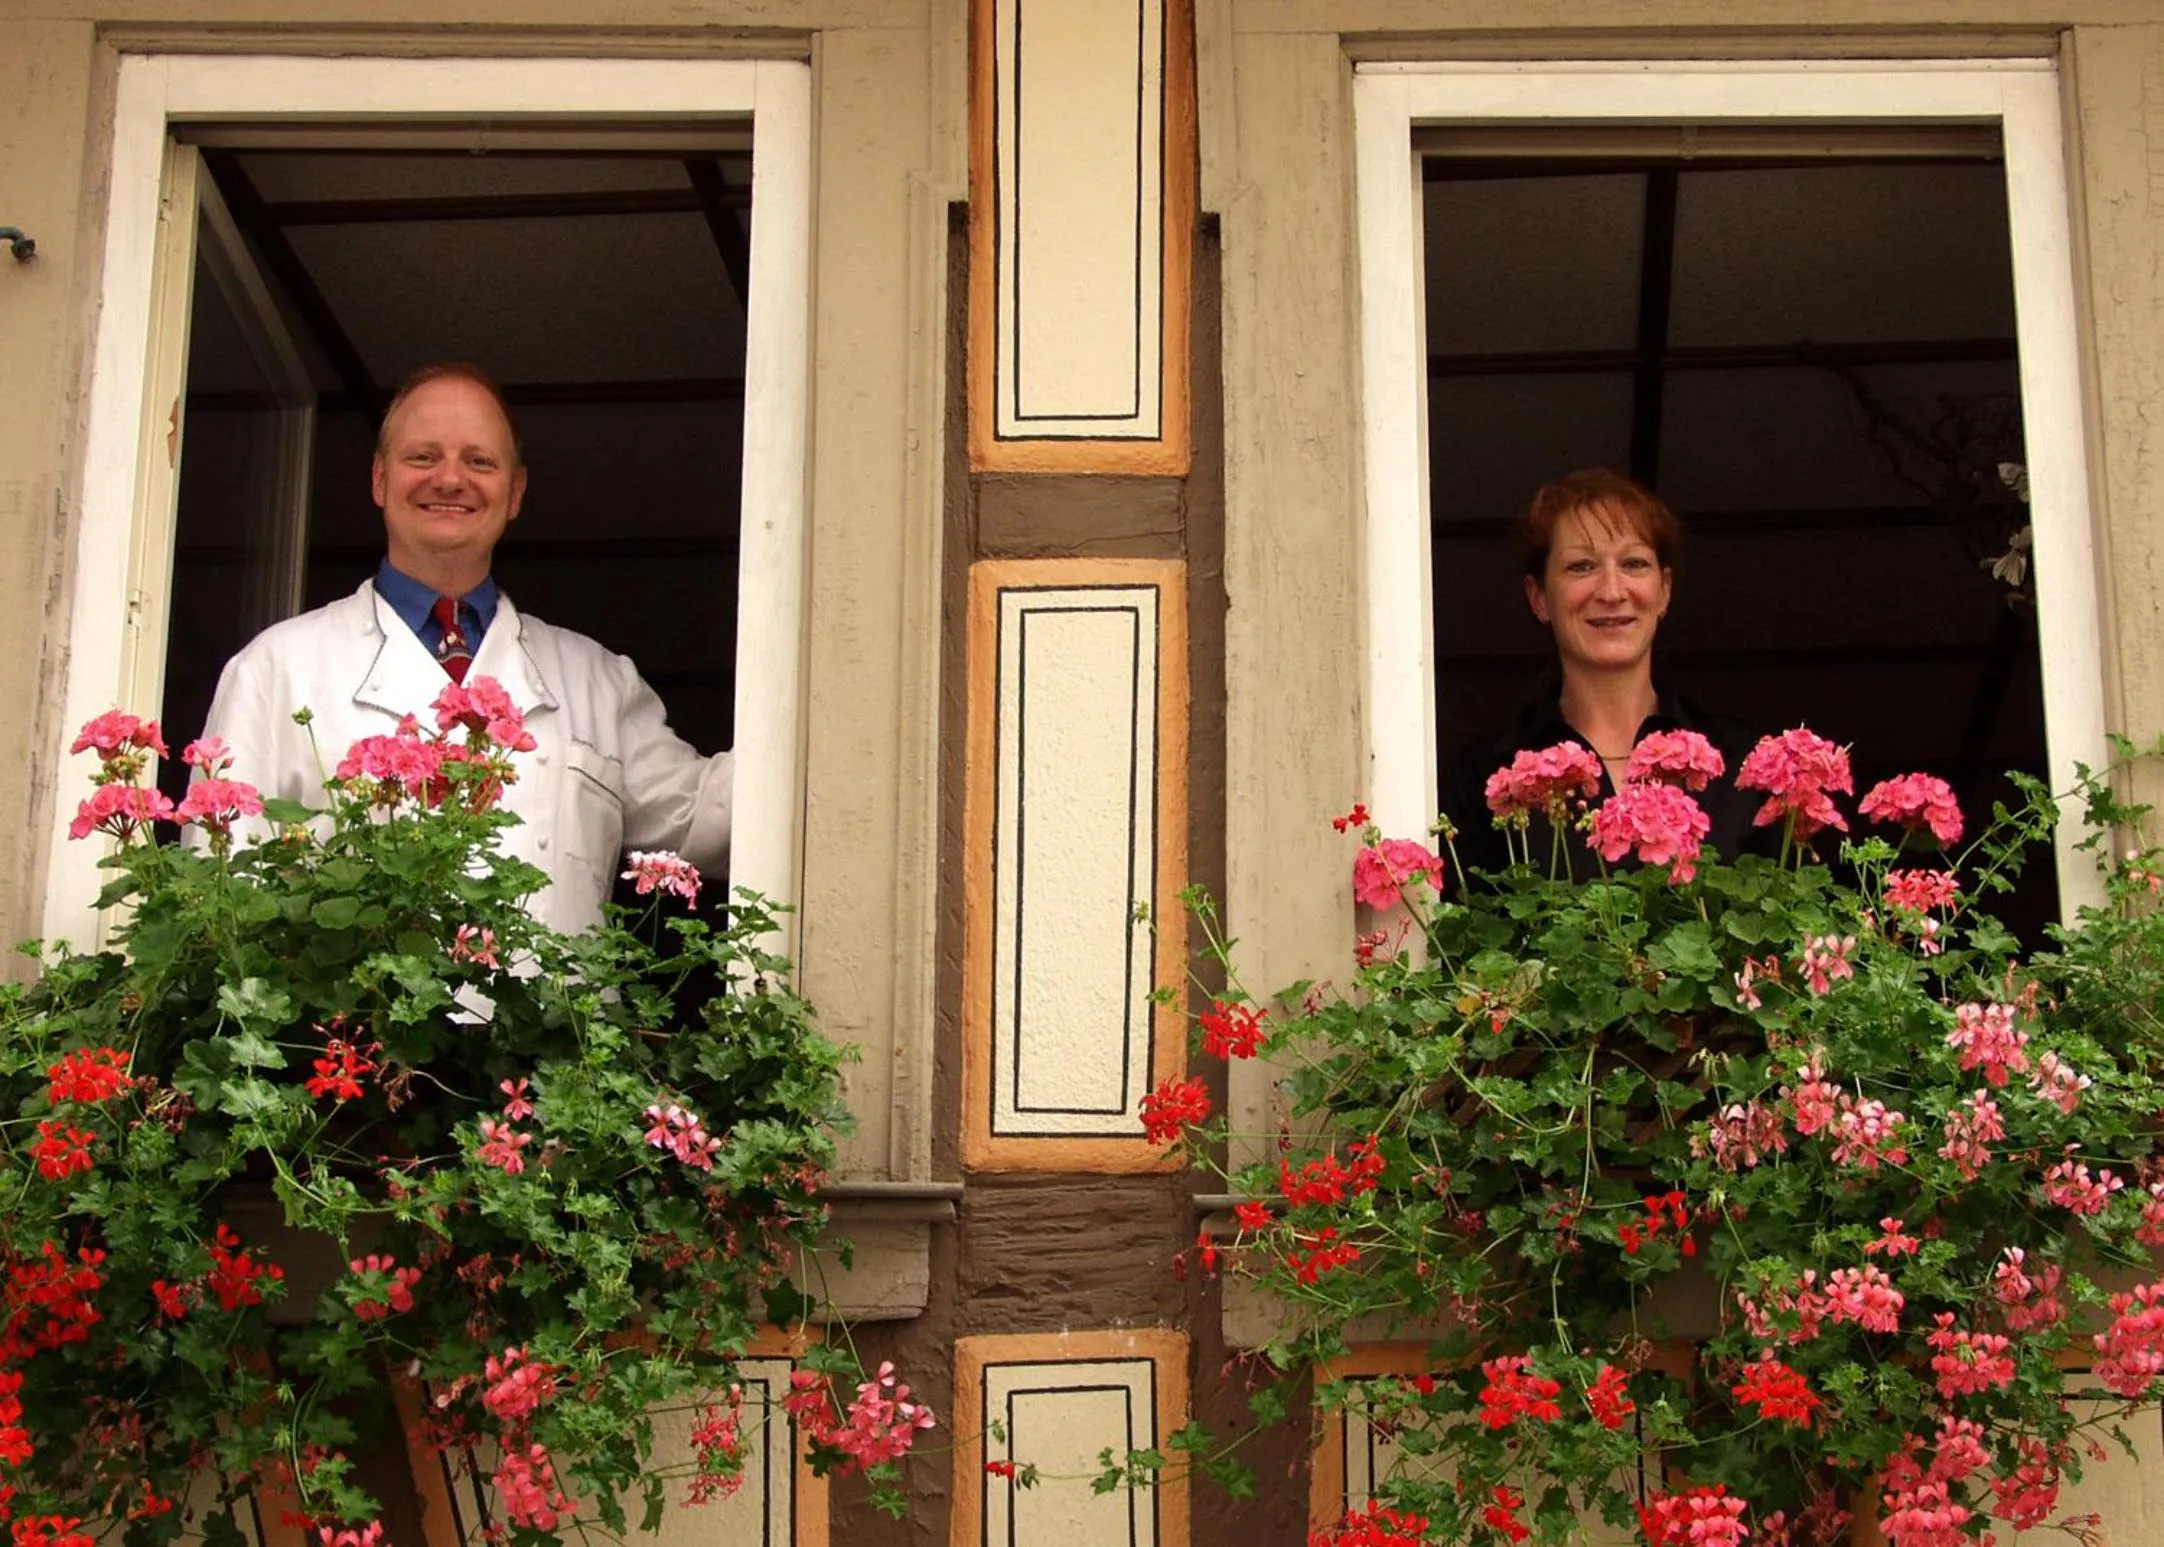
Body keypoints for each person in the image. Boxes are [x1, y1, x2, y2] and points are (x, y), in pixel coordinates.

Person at [198, 362, 731, 935]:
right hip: (351, 1025)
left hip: (554, 1026)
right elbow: (218, 894)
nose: (450, 479)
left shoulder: (596, 679)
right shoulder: (278, 667)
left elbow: (706, 819)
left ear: (516, 492)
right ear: (379, 480)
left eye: (479, 461)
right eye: (423, 457)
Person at [1442, 469, 1756, 879]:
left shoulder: (1741, 765)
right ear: (1539, 597)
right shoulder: (1484, 778)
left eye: (1634, 563)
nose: (1611, 591)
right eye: (1581, 566)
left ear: (1663, 591)